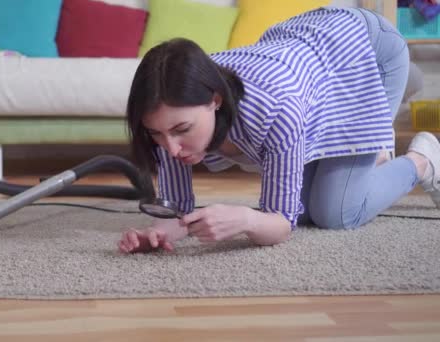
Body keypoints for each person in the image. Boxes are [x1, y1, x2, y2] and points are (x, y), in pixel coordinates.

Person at [117, 6, 440, 254]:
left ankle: (424, 158)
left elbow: (280, 225)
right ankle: (380, 130)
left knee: (336, 213)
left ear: (214, 100)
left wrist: (245, 219)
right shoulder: (171, 113)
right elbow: (177, 207)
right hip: (301, 49)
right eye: (157, 135)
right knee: (305, 212)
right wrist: (159, 232)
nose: (171, 148)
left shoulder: (276, 109)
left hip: (365, 46)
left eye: (181, 130)